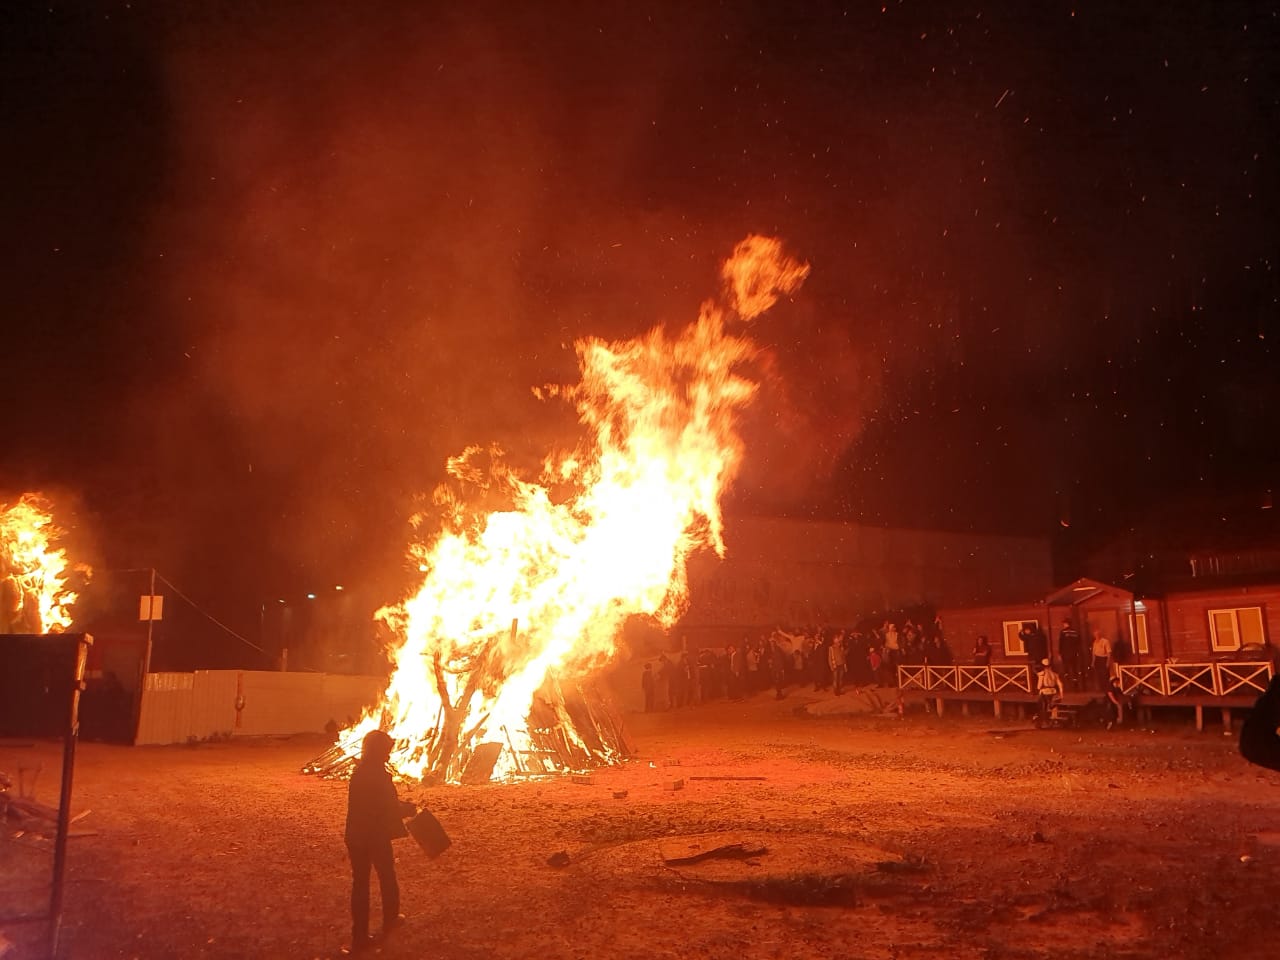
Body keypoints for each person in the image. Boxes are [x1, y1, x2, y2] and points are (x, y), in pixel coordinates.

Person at [344, 729, 415, 954]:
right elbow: (389, 808)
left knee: (361, 884)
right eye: (386, 751)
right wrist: (410, 808)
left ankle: (360, 937)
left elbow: (379, 803)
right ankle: (391, 918)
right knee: (386, 876)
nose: (389, 755)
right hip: (375, 835)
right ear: (379, 751)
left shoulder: (359, 772)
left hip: (355, 835)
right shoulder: (378, 776)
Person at [1058, 619, 1083, 691]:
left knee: (1066, 669)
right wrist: (1078, 652)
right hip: (1074, 653)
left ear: (1066, 624)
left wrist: (1059, 653)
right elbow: (1079, 643)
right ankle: (1075, 684)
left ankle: (1067, 684)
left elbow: (1061, 643)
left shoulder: (1063, 632)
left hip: (1065, 653)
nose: (1063, 625)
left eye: (1064, 624)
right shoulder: (1075, 632)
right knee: (1074, 668)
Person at [1036, 658, 1063, 724]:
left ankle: (1044, 720)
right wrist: (1061, 694)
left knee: (1043, 706)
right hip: (1053, 691)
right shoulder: (1055, 674)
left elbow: (1039, 686)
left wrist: (1038, 688)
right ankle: (1054, 719)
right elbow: (1060, 684)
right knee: (1053, 706)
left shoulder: (1041, 674)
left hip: (1044, 692)